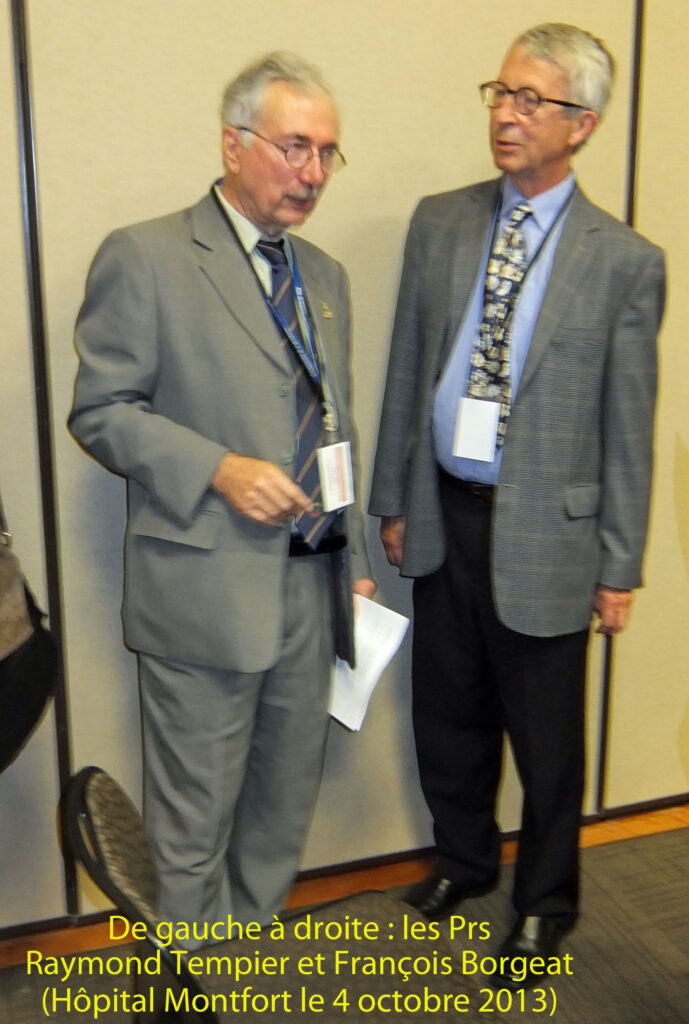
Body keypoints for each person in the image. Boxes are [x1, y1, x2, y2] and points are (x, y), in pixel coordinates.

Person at [369, 23, 664, 988]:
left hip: (549, 534)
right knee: (446, 714)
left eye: (531, 100)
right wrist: (392, 499)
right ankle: (463, 862)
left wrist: (618, 566)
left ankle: (545, 903)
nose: (505, 113)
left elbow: (627, 427)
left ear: (581, 124)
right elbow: (408, 369)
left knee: (546, 744)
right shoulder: (440, 222)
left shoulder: (624, 261)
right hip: (444, 511)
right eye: (500, 92)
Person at [69, 51, 374, 939]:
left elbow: (334, 425)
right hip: (204, 588)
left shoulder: (325, 277)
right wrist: (216, 467)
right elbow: (100, 412)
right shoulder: (147, 256)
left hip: (311, 585)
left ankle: (240, 961)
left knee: (281, 808)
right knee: (193, 820)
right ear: (233, 144)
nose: (312, 172)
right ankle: (188, 971)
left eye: (325, 152)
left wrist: (352, 559)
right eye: (292, 147)